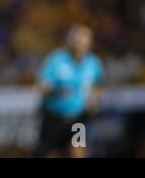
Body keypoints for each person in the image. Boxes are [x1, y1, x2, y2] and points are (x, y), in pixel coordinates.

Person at [36, 24, 104, 157]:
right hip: (55, 116)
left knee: (78, 151)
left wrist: (94, 102)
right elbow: (43, 86)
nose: (81, 44)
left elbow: (97, 85)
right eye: (78, 39)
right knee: (50, 153)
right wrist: (55, 91)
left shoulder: (94, 63)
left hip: (78, 117)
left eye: (85, 40)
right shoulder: (56, 60)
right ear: (70, 41)